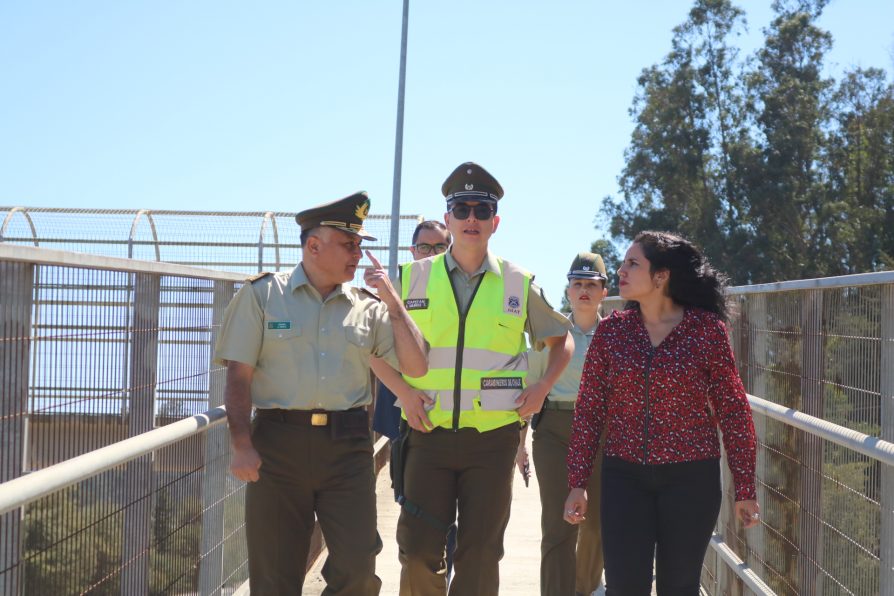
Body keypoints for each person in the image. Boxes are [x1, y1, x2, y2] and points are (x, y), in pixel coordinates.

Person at [214, 192, 428, 595]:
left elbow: (417, 367)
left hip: (347, 447)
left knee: (358, 570)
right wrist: (241, 443)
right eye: (349, 245)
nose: (358, 255)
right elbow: (238, 378)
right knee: (274, 577)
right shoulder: (261, 296)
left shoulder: (370, 306)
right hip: (276, 446)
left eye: (361, 245)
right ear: (314, 245)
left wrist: (394, 302)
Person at [395, 162, 574, 596]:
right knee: (417, 552)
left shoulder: (517, 281)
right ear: (449, 218)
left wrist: (541, 389)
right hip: (428, 434)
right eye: (461, 209)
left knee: (479, 553)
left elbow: (561, 340)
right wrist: (403, 393)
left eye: (481, 209)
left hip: (493, 442)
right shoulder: (411, 277)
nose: (471, 218)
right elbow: (374, 349)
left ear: (495, 222)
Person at [563, 231, 760, 596]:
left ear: (661, 276)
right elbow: (590, 409)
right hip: (624, 478)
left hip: (691, 480)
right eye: (623, 263)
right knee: (624, 587)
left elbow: (733, 409)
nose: (621, 270)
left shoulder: (707, 332)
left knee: (679, 587)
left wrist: (745, 487)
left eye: (633, 263)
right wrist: (577, 481)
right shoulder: (612, 333)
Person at [517, 252, 609, 596]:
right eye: (577, 284)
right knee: (558, 525)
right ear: (568, 291)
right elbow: (532, 387)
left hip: (602, 433)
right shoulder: (551, 334)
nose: (584, 290)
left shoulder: (616, 335)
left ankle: (584, 589)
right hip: (555, 429)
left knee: (597, 524)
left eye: (591, 284)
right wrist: (520, 442)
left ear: (604, 291)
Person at [372, 220, 451, 441]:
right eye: (424, 247)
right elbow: (373, 348)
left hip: (450, 407)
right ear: (413, 250)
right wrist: (405, 394)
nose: (431, 253)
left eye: (439, 247)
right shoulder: (400, 284)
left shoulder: (464, 287)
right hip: (402, 396)